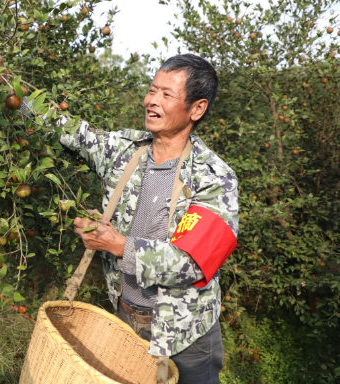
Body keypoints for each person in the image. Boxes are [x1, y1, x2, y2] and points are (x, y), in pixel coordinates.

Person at [61, 54, 239, 384]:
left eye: (166, 94)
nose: (151, 101)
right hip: (126, 320)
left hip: (185, 335)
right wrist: (9, 87)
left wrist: (118, 245)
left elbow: (191, 264)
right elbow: (71, 131)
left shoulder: (214, 178)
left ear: (196, 109)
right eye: (151, 90)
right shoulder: (125, 149)